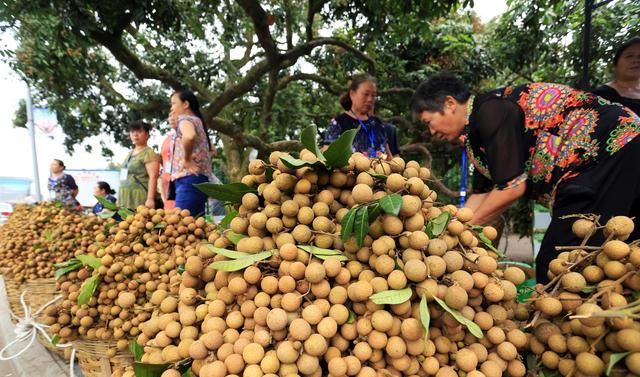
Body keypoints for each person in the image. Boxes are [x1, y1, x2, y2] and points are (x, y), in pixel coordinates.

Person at [411, 72, 640, 283]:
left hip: (610, 149)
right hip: (619, 153)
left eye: (428, 122)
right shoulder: (475, 141)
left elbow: (511, 189)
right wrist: (451, 229)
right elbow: (481, 196)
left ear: (450, 104)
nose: (431, 132)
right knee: (626, 259)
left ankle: (568, 324)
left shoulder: (488, 110)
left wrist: (456, 234)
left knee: (558, 267)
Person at [168, 89, 215, 216]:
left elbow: (189, 136)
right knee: (195, 225)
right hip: (198, 179)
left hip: (188, 179)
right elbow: (212, 150)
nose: (172, 108)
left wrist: (187, 159)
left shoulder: (185, 120)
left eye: (173, 103)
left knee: (182, 224)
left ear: (186, 104)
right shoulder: (197, 121)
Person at [323, 73, 391, 158]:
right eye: (366, 94)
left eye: (373, 95)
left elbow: (389, 157)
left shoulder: (378, 123)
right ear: (352, 94)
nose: (370, 99)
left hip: (380, 170)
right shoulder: (339, 123)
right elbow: (326, 155)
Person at [592, 37, 640, 115]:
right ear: (615, 64)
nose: (636, 60)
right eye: (629, 56)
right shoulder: (599, 97)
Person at [118, 121, 160, 210]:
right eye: (132, 132)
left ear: (147, 135)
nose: (135, 134)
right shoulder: (130, 153)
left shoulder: (149, 153)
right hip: (124, 195)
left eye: (139, 131)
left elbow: (153, 177)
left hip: (139, 196)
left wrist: (150, 199)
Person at [160, 130, 176, 210]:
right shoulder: (167, 138)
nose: (171, 118)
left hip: (183, 178)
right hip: (167, 179)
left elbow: (212, 150)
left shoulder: (188, 132)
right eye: (170, 116)